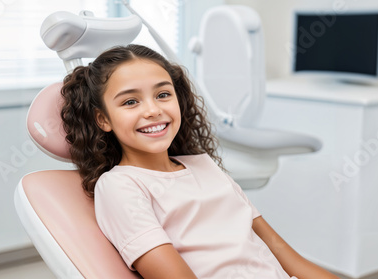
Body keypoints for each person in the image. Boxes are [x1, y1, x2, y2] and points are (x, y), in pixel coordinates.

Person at [60, 44, 338, 279]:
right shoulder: (120, 185)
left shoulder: (203, 166)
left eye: (163, 94)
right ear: (103, 119)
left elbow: (279, 250)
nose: (153, 110)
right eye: (131, 102)